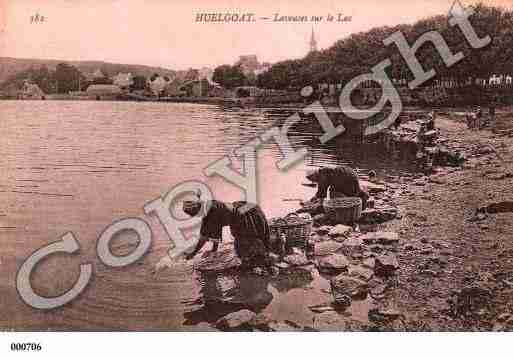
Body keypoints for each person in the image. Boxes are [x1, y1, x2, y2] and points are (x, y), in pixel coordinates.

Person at [183, 197, 272, 271]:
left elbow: (204, 237)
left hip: (246, 213)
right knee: (241, 245)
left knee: (250, 241)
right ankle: (254, 261)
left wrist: (193, 254)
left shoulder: (211, 212)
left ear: (198, 208)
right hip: (243, 210)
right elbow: (215, 232)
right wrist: (214, 250)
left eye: (194, 213)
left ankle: (261, 262)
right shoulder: (209, 207)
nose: (194, 216)